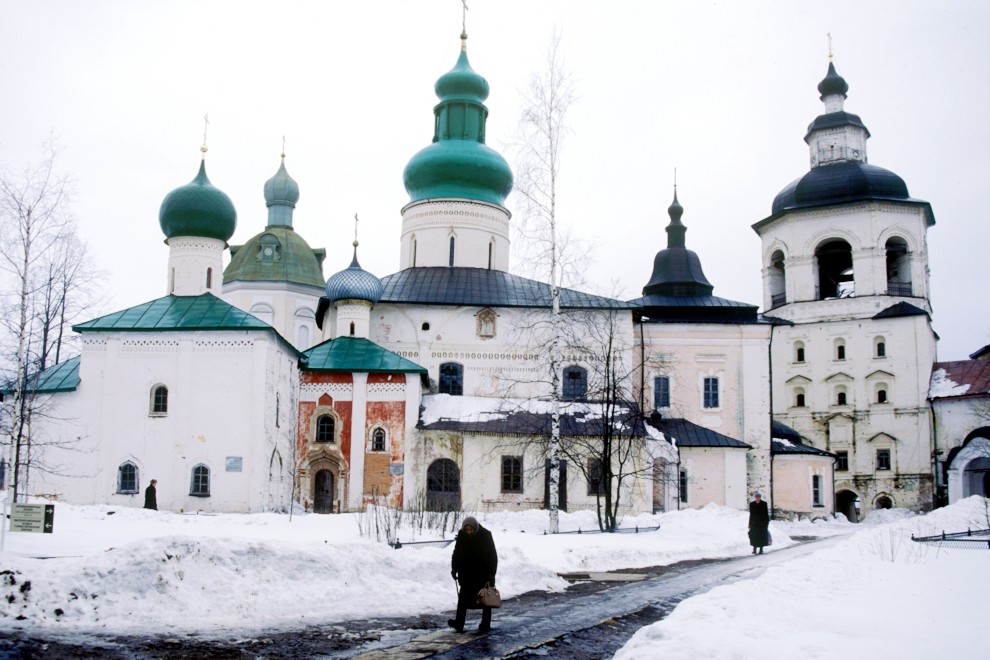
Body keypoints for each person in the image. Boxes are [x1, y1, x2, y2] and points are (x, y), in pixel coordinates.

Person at [448, 516, 498, 633]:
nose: (469, 532)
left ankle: (485, 623)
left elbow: (492, 557)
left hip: (483, 573)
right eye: (467, 530)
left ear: (475, 528)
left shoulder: (485, 535)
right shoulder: (462, 535)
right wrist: (454, 568)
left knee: (486, 597)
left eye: (471, 530)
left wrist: (491, 575)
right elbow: (457, 553)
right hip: (466, 573)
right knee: (463, 597)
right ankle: (459, 623)